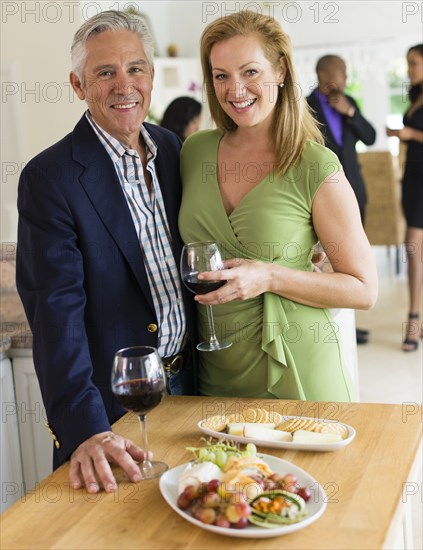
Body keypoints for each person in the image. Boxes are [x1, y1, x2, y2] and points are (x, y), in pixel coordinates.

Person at [16, 10, 197, 493]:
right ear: (78, 85)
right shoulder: (49, 178)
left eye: (135, 68)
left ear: (152, 76)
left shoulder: (175, 150)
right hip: (112, 412)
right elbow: (56, 315)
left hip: (195, 391)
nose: (125, 84)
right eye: (105, 72)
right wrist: (87, 430)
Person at [178, 10, 378, 401]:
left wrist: (269, 276)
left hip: (300, 367)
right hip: (216, 371)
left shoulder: (314, 165)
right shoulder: (193, 153)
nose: (235, 89)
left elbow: (364, 290)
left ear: (281, 69)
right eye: (221, 75)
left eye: (250, 71)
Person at [307, 55, 377, 345]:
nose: (346, 79)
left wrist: (351, 113)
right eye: (341, 73)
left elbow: (370, 136)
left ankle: (350, 319)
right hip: (322, 194)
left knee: (353, 259)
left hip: (355, 190)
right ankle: (333, 317)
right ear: (324, 75)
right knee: (328, 257)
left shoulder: (349, 101)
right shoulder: (305, 106)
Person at [386, 44, 423, 351]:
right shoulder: (415, 97)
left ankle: (414, 318)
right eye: (408, 63)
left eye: (414, 63)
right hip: (413, 179)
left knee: (414, 246)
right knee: (415, 250)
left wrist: (410, 135)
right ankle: (416, 317)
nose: (409, 69)